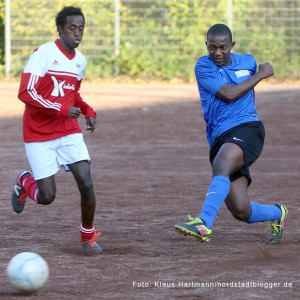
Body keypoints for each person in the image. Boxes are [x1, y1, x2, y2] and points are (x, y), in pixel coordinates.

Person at [175, 24, 288, 244]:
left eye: (223, 47)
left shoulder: (247, 61)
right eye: (212, 47)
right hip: (219, 137)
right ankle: (278, 213)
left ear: (232, 45)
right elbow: (228, 94)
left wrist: (257, 74)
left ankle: (204, 223)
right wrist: (262, 74)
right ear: (206, 45)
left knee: (222, 164)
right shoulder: (203, 66)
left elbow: (246, 90)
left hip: (248, 128)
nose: (217, 53)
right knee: (241, 210)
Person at [12, 6, 102, 254]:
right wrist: (60, 109)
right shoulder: (43, 54)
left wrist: (86, 109)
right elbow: (25, 92)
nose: (77, 33)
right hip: (38, 132)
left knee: (86, 181)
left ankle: (88, 235)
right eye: (72, 28)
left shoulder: (80, 60)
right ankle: (24, 181)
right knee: (47, 197)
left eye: (81, 28)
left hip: (67, 131)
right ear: (60, 29)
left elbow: (72, 94)